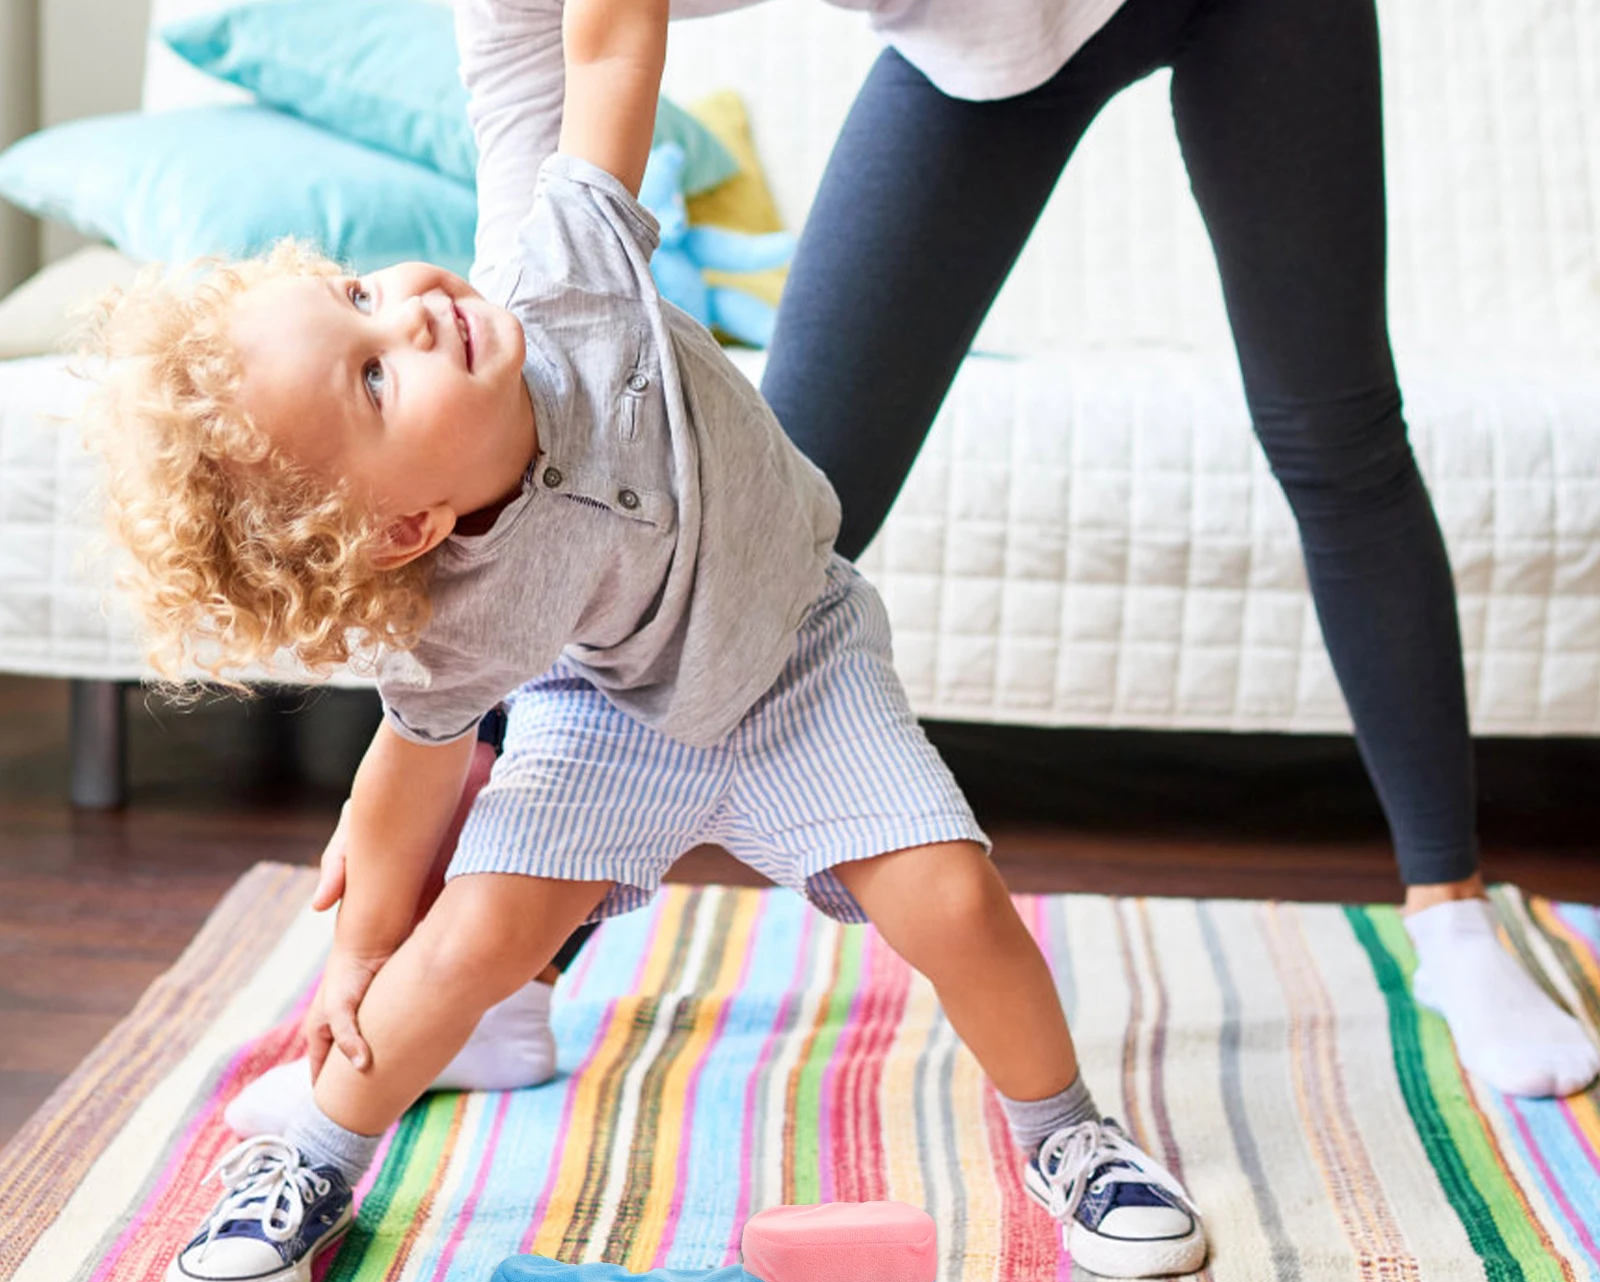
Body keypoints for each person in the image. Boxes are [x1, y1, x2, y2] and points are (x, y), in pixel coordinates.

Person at [84, 0, 1206, 1282]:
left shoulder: (569, 267)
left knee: (956, 903)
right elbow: (403, 779)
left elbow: (608, 48)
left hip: (801, 659)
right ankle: (316, 1161)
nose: (409, 312)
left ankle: (1068, 1136)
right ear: (403, 528)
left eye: (356, 294)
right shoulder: (453, 607)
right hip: (610, 713)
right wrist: (358, 959)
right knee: (464, 949)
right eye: (375, 378)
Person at [362, 0, 1594, 1104]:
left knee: (1336, 433)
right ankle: (514, 985)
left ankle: (1452, 921)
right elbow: (540, 281)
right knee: (758, 520)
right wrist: (434, 715)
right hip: (987, 38)